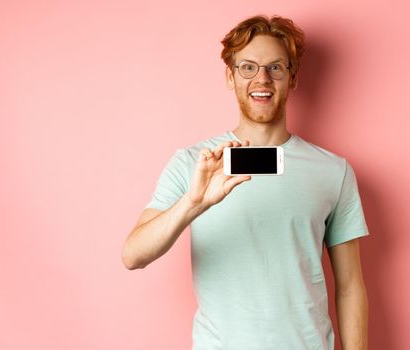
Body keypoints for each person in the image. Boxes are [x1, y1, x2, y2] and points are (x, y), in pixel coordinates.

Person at [122, 14, 370, 350]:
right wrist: (192, 204)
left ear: (292, 78)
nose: (262, 79)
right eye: (248, 67)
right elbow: (133, 255)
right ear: (230, 76)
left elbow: (350, 285)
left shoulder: (333, 170)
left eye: (275, 68)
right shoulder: (194, 164)